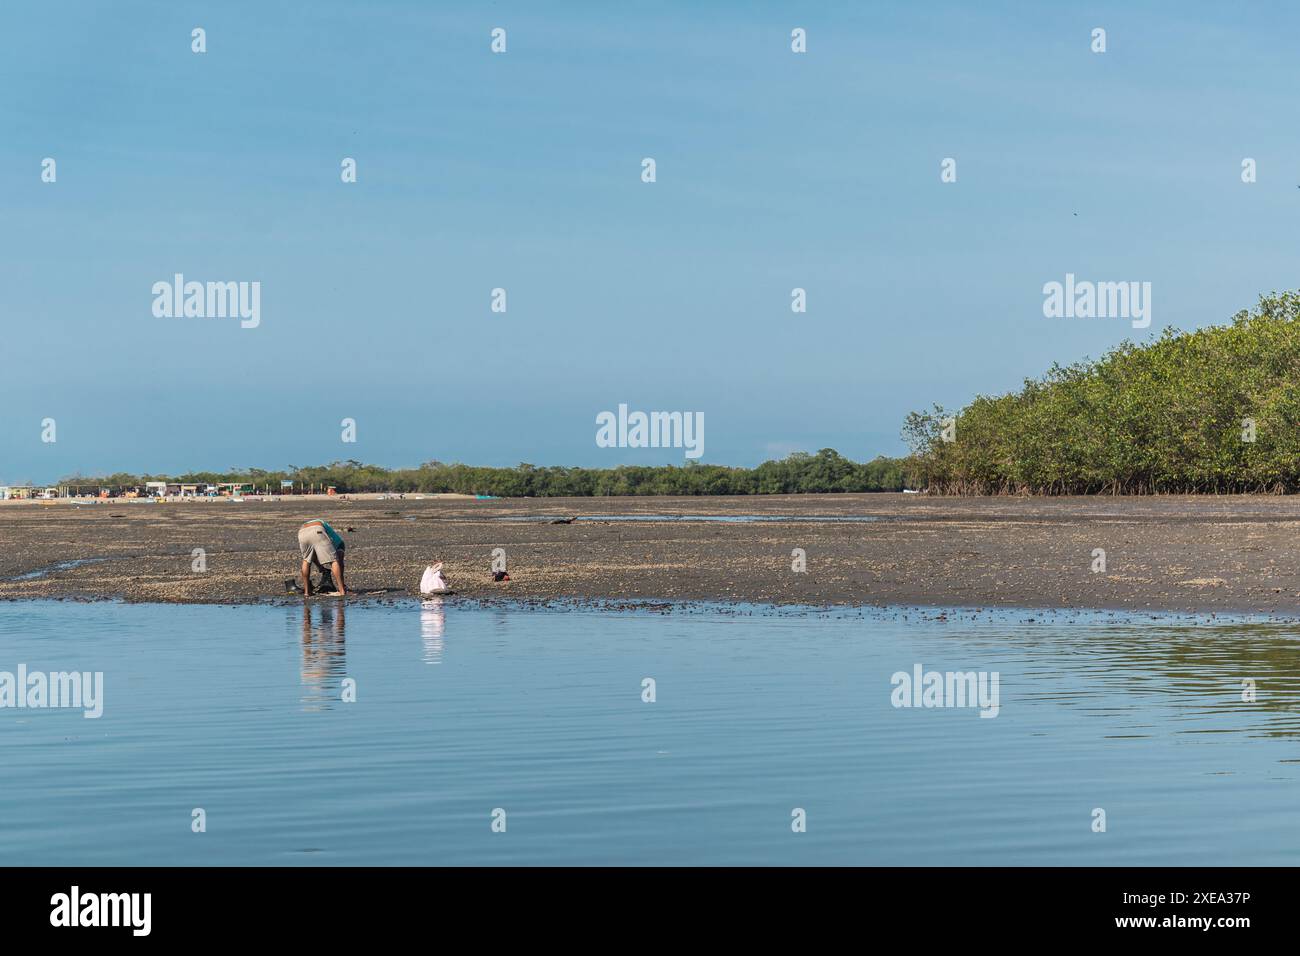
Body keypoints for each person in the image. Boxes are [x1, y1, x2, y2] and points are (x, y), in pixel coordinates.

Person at [297, 518, 347, 596]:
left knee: (306, 560)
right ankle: (342, 591)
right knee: (334, 561)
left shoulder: (329, 531)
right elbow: (339, 563)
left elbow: (313, 556)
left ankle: (307, 592)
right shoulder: (340, 543)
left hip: (302, 532)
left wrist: (320, 567)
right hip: (317, 529)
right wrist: (343, 583)